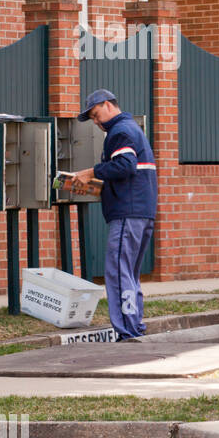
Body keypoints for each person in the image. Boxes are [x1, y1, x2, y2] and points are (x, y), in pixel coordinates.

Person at [72, 89, 157, 341]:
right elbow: (131, 168)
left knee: (119, 272)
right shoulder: (131, 128)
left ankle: (127, 331)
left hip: (128, 213)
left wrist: (90, 173)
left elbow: (125, 166)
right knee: (129, 271)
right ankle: (134, 324)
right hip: (142, 211)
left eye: (96, 115)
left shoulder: (120, 131)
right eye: (93, 119)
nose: (96, 122)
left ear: (108, 105)